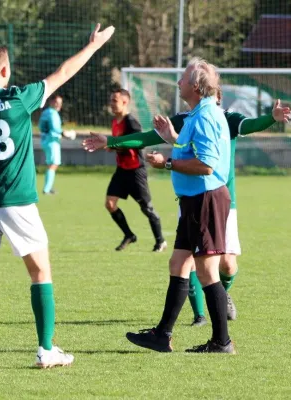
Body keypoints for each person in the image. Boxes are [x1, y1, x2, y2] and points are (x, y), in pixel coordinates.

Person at [0, 24, 115, 372]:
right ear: (6, 70)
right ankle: (45, 350)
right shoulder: (17, 98)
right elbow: (64, 72)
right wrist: (94, 46)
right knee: (40, 271)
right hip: (15, 198)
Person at [83, 90, 291, 325]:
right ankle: (199, 315)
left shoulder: (227, 118)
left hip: (222, 200)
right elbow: (147, 138)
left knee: (227, 265)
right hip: (191, 198)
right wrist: (111, 141)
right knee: (187, 259)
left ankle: (222, 297)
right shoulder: (185, 119)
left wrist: (272, 118)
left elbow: (251, 124)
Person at [125, 57, 235, 353]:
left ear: (197, 86)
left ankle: (221, 342)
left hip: (206, 199)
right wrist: (172, 139)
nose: (178, 83)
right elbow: (195, 149)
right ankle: (162, 335)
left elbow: (207, 166)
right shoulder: (198, 114)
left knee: (207, 271)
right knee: (178, 264)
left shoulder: (206, 116)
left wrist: (168, 163)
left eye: (184, 79)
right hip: (194, 201)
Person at [103, 89, 166, 252]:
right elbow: (118, 143)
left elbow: (139, 142)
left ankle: (160, 241)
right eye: (111, 100)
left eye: (114, 100)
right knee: (110, 204)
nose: (111, 103)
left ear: (125, 102)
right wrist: (112, 147)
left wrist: (115, 145)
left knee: (146, 208)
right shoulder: (115, 121)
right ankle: (129, 235)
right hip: (121, 170)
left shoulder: (131, 122)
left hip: (135, 170)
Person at [39, 94, 63, 194]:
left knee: (52, 164)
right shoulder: (52, 113)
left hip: (46, 140)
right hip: (52, 141)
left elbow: (41, 127)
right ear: (51, 102)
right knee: (53, 164)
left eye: (60, 103)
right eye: (56, 103)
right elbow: (55, 128)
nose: (59, 105)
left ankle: (48, 187)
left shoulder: (46, 112)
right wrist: (65, 133)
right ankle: (46, 189)